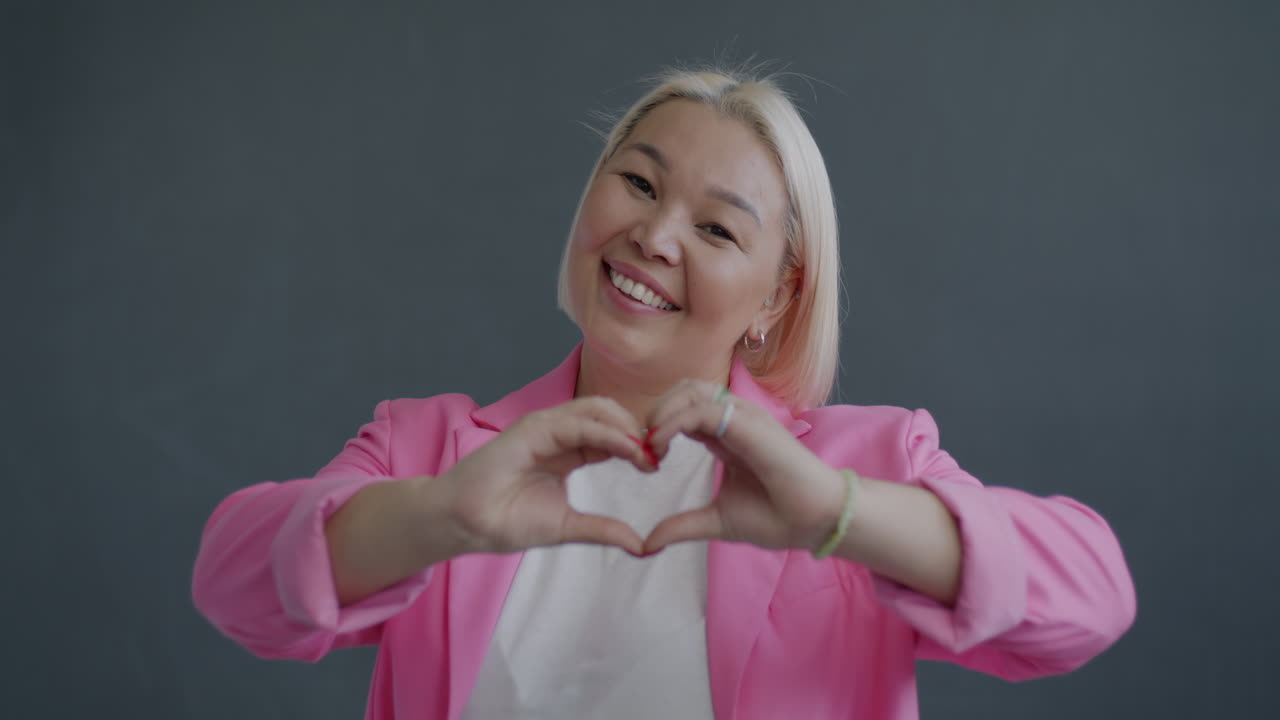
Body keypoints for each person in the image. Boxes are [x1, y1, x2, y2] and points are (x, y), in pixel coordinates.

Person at [192, 67, 1136, 720]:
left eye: (719, 230)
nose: (655, 235)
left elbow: (1092, 599)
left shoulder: (866, 467)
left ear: (777, 298)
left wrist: (834, 514)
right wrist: (442, 517)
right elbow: (232, 581)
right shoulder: (429, 451)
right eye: (638, 184)